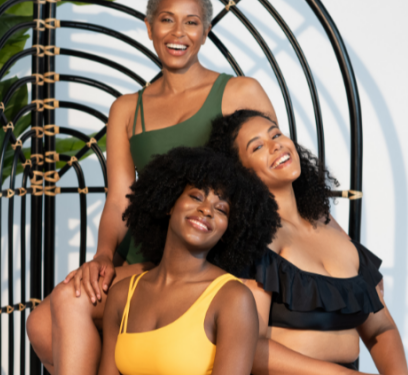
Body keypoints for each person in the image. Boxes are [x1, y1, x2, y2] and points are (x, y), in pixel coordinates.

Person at [26, 0, 277, 373]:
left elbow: (276, 177)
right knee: (40, 324)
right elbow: (119, 199)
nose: (178, 33)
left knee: (66, 304)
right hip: (146, 254)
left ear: (205, 32)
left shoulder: (240, 91)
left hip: (204, 247)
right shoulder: (126, 109)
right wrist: (104, 257)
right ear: (148, 27)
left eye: (191, 22)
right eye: (166, 20)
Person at [207, 110, 408, 375]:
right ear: (241, 173)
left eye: (276, 134)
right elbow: (247, 348)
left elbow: (381, 328)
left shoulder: (332, 231)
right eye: (257, 146)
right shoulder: (256, 241)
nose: (275, 145)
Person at [97, 147, 280, 375]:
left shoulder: (232, 299)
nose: (206, 210)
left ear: (229, 230)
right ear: (170, 203)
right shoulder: (122, 295)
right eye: (196, 196)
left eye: (221, 209)